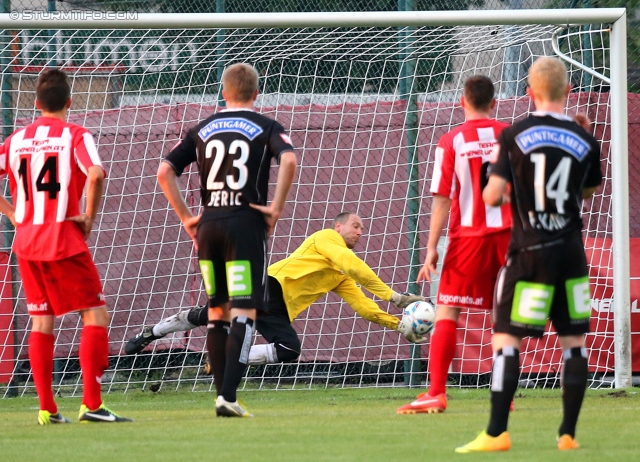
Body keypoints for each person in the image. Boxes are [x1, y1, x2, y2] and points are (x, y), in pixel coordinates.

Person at [455, 57, 602, 453]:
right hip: (571, 254)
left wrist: (497, 182)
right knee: (573, 343)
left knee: (506, 339)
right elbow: (586, 193)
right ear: (567, 92)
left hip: (529, 254)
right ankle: (567, 434)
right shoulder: (586, 138)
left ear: (529, 92)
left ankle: (496, 432)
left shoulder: (515, 134)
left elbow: (492, 194)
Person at [157, 63, 297, 417]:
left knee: (217, 309)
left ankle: (221, 395)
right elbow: (289, 160)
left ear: (224, 91)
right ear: (256, 93)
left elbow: (164, 171)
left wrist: (187, 218)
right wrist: (275, 209)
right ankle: (229, 398)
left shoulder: (201, 128)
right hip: (244, 226)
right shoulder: (266, 126)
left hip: (210, 227)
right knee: (244, 308)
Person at [0, 69, 131, 424]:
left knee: (41, 322)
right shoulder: (76, 134)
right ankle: (91, 404)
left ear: (36, 103)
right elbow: (97, 173)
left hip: (26, 243)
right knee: (95, 315)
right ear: (69, 103)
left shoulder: (15, 140)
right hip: (63, 240)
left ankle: (47, 408)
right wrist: (88, 216)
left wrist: (13, 214)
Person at [125, 212, 428, 366]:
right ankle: (152, 333)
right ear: (338, 228)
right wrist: (396, 297)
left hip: (279, 309)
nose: (361, 232)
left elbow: (364, 308)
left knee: (289, 349)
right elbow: (351, 264)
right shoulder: (326, 238)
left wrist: (399, 325)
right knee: (211, 314)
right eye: (356, 226)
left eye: (363, 229)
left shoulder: (339, 277)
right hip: (268, 286)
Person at [397, 75, 511, 415]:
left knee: (447, 311)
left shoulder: (451, 140)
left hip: (468, 239)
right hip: (509, 237)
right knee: (501, 315)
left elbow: (442, 198)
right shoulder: (511, 135)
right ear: (494, 103)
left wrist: (431, 247)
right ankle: (504, 393)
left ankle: (436, 392)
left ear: (462, 102)